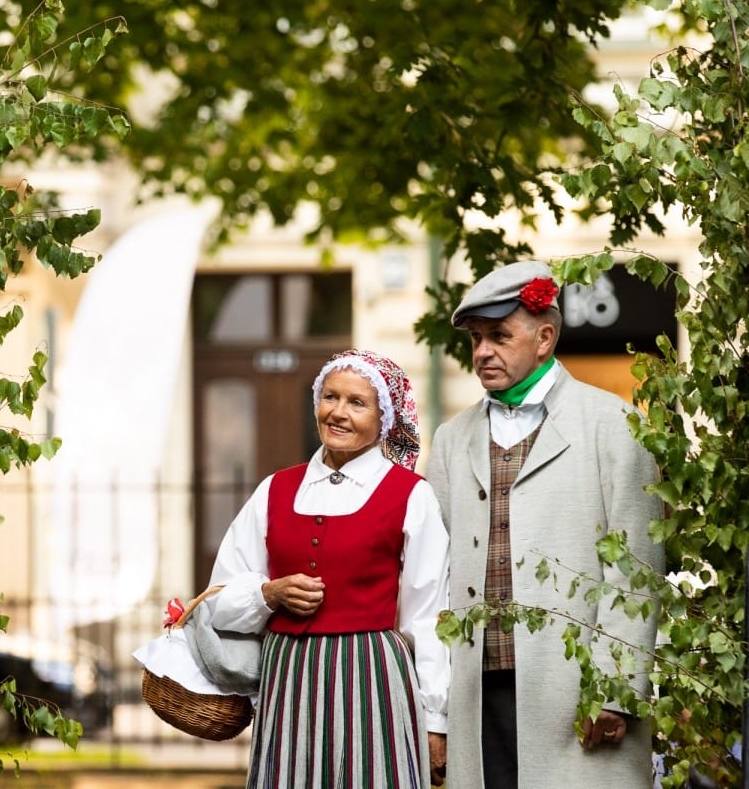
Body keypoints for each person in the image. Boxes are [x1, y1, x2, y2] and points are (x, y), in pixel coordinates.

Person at [426, 260, 665, 788]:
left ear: (545, 337)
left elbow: (637, 574)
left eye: (499, 336)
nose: (483, 351)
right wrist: (433, 709)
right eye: (476, 338)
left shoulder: (615, 425)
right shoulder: (451, 438)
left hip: (577, 692)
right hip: (475, 690)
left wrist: (617, 687)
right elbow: (433, 579)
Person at [206, 348, 450, 788]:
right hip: (288, 679)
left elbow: (429, 615)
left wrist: (436, 720)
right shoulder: (274, 490)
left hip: (372, 678)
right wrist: (268, 594)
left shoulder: (412, 495)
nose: (338, 412)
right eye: (330, 397)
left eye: (357, 403)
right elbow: (217, 602)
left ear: (384, 418)